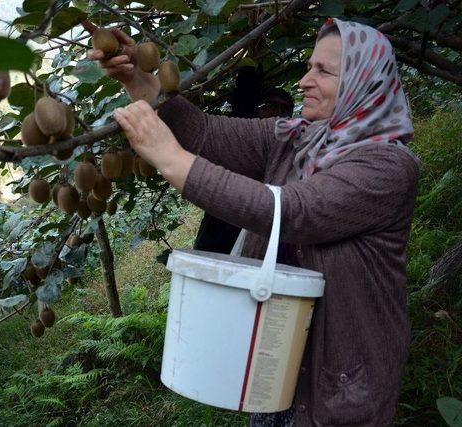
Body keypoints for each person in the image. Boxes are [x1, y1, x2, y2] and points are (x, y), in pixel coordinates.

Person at [89, 17, 418, 426]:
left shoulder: (388, 167)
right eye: (309, 66)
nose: (303, 81)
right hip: (273, 368)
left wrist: (170, 159)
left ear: (363, 82)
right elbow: (207, 133)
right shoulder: (298, 137)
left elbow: (291, 212)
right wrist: (140, 79)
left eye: (323, 71)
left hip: (340, 382)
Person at [194, 68, 295, 254]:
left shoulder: (292, 150)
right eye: (270, 105)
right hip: (219, 231)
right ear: (258, 109)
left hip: (261, 236)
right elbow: (244, 99)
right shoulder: (243, 137)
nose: (276, 113)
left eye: (283, 109)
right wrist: (251, 59)